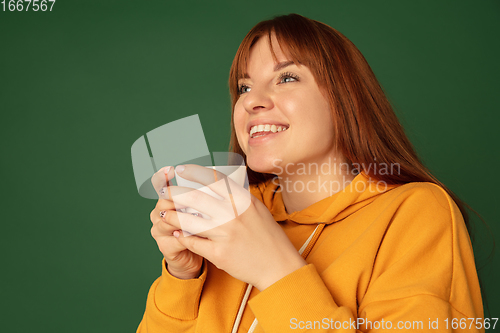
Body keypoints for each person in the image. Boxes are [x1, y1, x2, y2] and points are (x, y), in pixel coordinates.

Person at [137, 14, 484, 332]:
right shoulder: (230, 213)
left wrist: (275, 271)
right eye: (244, 87)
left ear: (345, 99)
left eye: (286, 77)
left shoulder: (415, 213)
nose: (251, 101)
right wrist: (183, 276)